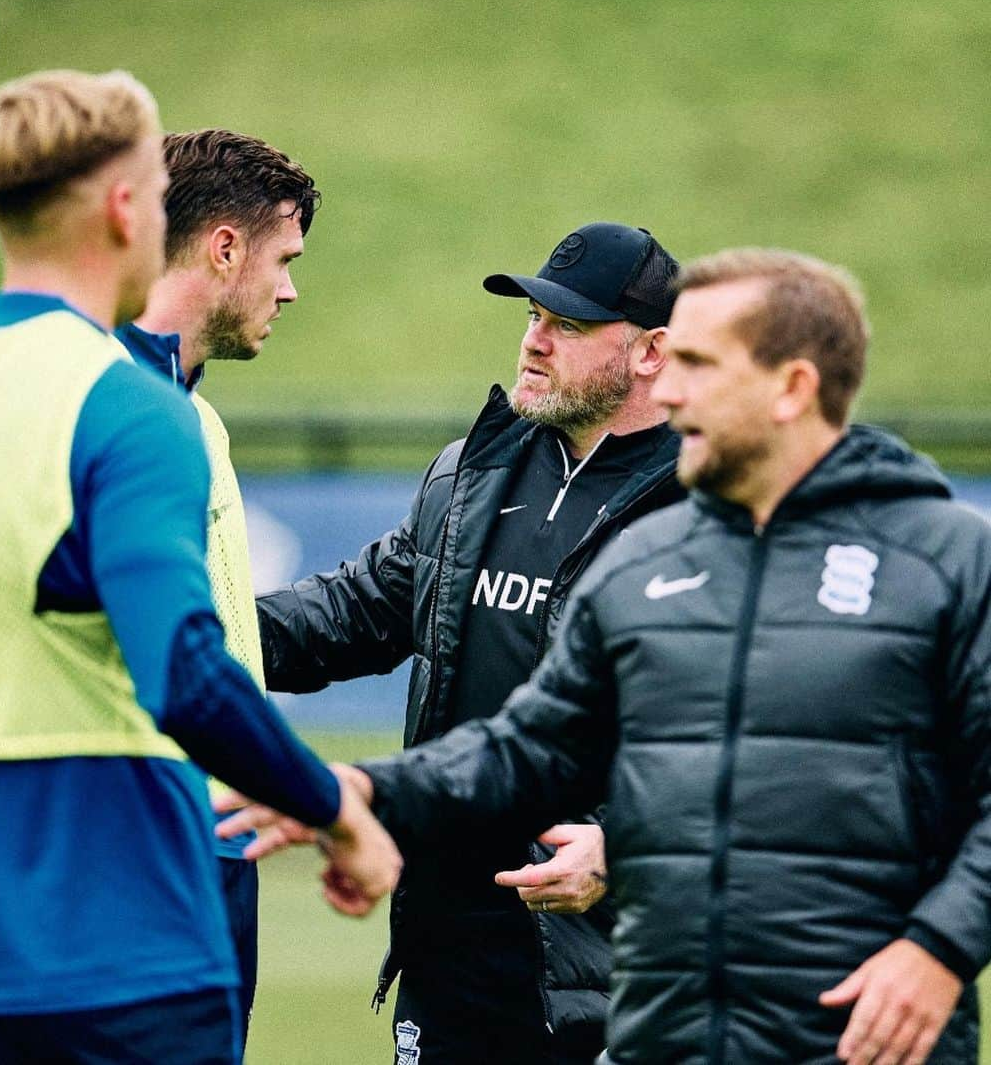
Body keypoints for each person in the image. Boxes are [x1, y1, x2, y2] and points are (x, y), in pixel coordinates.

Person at [224, 247, 991, 1063]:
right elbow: (528, 748)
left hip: (856, 1035)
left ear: (793, 387)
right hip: (652, 1028)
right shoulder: (645, 561)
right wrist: (358, 788)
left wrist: (937, 950)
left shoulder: (941, 559)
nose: (673, 391)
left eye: (698, 363)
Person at [0, 70, 399, 1065]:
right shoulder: (130, 406)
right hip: (120, 941)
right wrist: (336, 805)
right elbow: (183, 669)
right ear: (130, 208)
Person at [254, 222, 685, 1063]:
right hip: (450, 954)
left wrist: (627, 850)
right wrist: (188, 629)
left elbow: (751, 742)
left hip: (612, 965)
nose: (533, 342)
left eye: (566, 324)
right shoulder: (473, 470)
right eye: (531, 316)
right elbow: (355, 610)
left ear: (651, 351)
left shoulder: (708, 504)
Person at [114, 126, 317, 1047]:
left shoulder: (193, 412)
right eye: (282, 259)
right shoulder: (108, 409)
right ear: (224, 246)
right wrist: (331, 804)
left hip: (211, 848)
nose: (289, 289)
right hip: (137, 856)